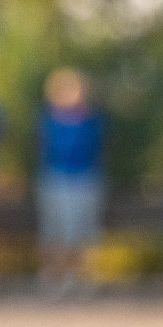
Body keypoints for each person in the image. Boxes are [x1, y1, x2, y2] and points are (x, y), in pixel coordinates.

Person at [36, 69, 106, 294]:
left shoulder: (91, 120)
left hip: (85, 179)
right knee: (55, 230)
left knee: (81, 231)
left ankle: (78, 276)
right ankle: (54, 275)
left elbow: (95, 148)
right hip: (56, 179)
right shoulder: (49, 120)